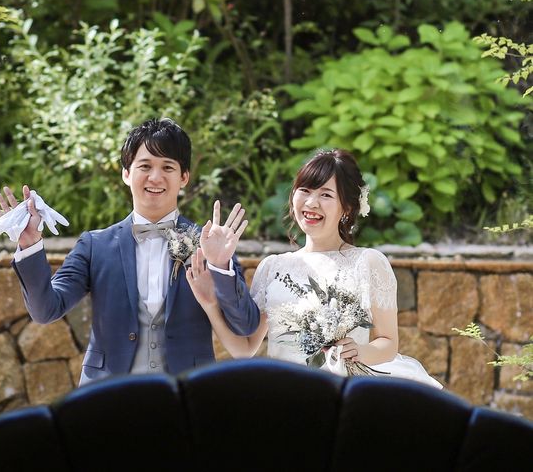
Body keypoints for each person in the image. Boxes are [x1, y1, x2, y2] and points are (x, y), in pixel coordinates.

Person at [0, 117, 260, 386]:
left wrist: (221, 266)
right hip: (107, 397)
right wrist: (30, 245)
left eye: (167, 167)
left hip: (186, 398)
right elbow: (46, 310)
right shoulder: (95, 245)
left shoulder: (209, 244)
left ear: (184, 178)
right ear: (126, 174)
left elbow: (245, 326)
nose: (155, 177)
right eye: (145, 166)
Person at [186, 148, 443, 389]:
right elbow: (244, 348)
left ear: (347, 207)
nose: (311, 203)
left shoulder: (368, 262)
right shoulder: (272, 267)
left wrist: (359, 351)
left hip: (342, 390)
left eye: (326, 195)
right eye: (305, 190)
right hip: (285, 392)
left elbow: (388, 343)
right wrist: (210, 305)